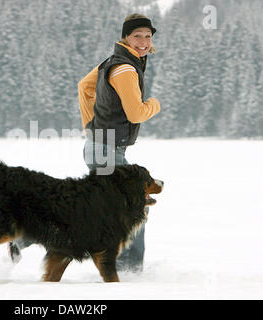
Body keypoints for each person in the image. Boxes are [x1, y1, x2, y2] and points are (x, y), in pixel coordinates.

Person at [78, 13, 161, 272]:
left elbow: (84, 87)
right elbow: (136, 113)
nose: (143, 41)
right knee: (133, 208)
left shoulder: (114, 61)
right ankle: (129, 269)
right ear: (126, 37)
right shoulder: (125, 68)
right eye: (137, 35)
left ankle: (25, 237)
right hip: (107, 150)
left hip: (101, 146)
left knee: (101, 208)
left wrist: (91, 126)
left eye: (148, 36)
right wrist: (154, 106)